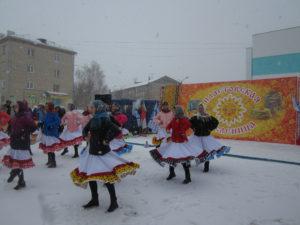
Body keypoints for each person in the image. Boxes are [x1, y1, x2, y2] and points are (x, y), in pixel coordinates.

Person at [70, 100, 140, 212]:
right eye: (90, 107)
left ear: (98, 108)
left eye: (92, 107)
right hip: (92, 151)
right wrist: (85, 136)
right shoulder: (93, 118)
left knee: (106, 177)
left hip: (102, 152)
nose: (90, 109)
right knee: (91, 175)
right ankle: (94, 199)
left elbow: (116, 130)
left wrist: (107, 140)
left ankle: (114, 201)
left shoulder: (104, 118)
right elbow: (85, 130)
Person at [150, 105, 198, 184]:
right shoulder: (174, 119)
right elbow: (169, 126)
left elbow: (188, 125)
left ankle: (188, 177)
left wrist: (181, 131)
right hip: (174, 142)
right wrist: (168, 129)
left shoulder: (183, 119)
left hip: (181, 143)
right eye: (174, 111)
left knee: (183, 160)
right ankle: (172, 173)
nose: (174, 112)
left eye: (175, 111)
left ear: (179, 111)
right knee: (171, 158)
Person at [2, 101, 36, 190]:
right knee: (14, 160)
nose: (15, 108)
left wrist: (24, 132)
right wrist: (9, 129)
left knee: (19, 163)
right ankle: (14, 173)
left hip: (22, 142)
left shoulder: (25, 117)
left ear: (21, 107)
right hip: (14, 142)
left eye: (16, 107)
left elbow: (33, 127)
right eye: (14, 107)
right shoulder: (15, 116)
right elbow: (12, 126)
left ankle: (21, 181)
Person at [189, 102, 230, 172]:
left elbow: (216, 122)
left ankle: (206, 167)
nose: (200, 109)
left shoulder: (208, 117)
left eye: (202, 108)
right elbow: (189, 123)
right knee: (192, 149)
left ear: (204, 109)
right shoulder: (195, 117)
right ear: (198, 109)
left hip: (206, 137)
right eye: (199, 108)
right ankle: (188, 163)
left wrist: (210, 129)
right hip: (196, 137)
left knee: (207, 151)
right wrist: (193, 128)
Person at [39, 102, 61, 168]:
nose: (45, 107)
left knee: (51, 149)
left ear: (50, 107)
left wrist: (51, 125)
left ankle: (53, 162)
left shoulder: (54, 113)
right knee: (48, 148)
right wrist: (42, 123)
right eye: (45, 106)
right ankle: (49, 160)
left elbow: (58, 121)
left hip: (52, 134)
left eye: (46, 106)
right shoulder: (47, 113)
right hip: (46, 133)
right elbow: (45, 121)